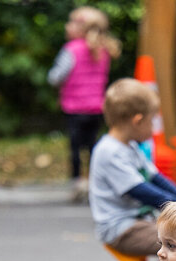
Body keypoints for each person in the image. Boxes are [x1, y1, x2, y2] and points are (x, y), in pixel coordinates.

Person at [89, 78, 176, 257]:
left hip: (140, 222)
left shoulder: (131, 146)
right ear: (138, 121)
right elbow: (140, 191)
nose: (153, 128)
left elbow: (156, 179)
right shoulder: (109, 152)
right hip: (122, 229)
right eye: (152, 122)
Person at [48, 6, 121, 201]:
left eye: (71, 22)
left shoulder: (71, 50)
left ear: (80, 28)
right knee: (93, 146)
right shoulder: (103, 49)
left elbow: (56, 76)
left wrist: (55, 80)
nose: (67, 25)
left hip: (74, 108)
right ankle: (95, 181)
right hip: (97, 107)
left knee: (75, 147)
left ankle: (78, 182)